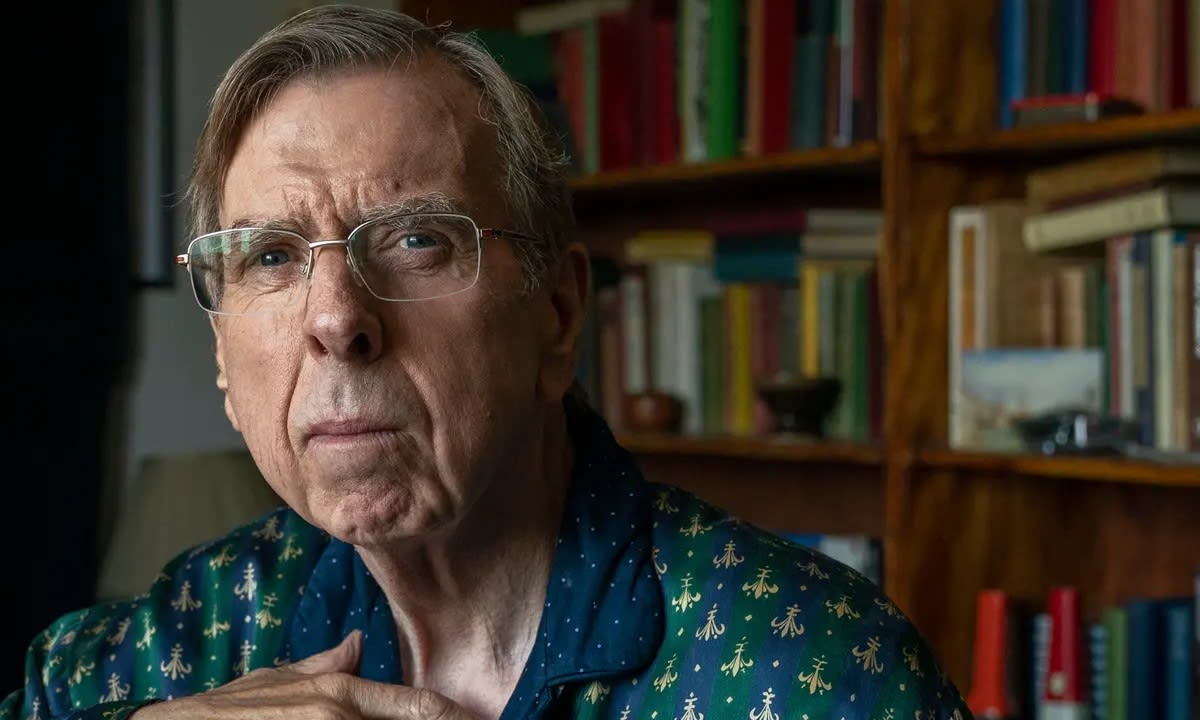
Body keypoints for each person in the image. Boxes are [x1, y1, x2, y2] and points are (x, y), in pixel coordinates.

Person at [0, 5, 973, 719]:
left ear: (557, 313)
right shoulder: (172, 646)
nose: (336, 319)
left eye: (416, 239)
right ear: (221, 352)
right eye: (271, 256)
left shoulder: (815, 673)